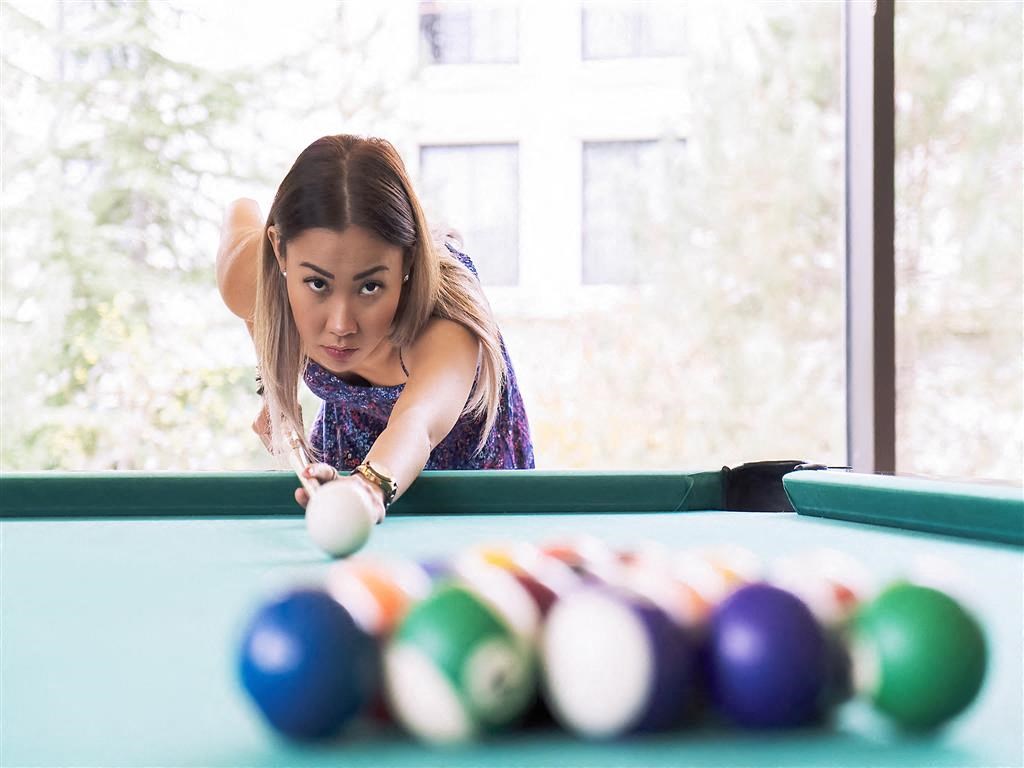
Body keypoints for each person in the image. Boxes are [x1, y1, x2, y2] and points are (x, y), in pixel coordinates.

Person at [216, 134, 534, 522]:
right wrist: (273, 386)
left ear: (407, 263)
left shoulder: (447, 315)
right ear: (279, 251)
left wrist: (367, 488)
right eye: (317, 284)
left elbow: (417, 423)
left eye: (370, 286)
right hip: (348, 455)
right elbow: (241, 208)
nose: (341, 325)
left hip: (468, 483)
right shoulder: (252, 277)